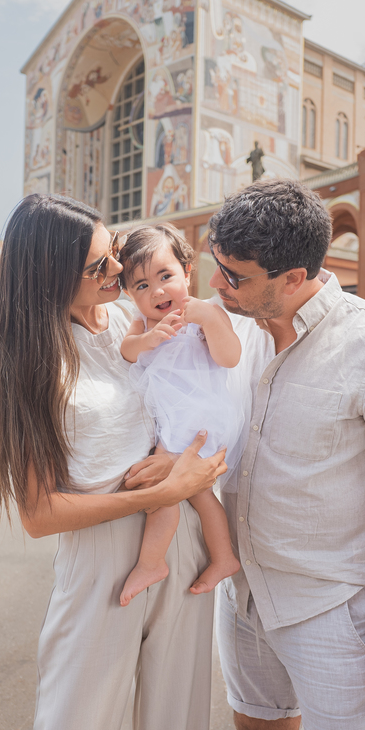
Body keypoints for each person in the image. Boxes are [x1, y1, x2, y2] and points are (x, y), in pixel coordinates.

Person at [0, 194, 228, 730]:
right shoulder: (32, 359)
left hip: (182, 538)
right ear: (49, 277)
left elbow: (210, 392)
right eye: (98, 266)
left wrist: (174, 465)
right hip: (101, 555)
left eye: (112, 250)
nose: (118, 268)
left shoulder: (130, 317)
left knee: (178, 721)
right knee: (79, 723)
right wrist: (156, 494)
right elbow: (39, 515)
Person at [206, 178, 365, 730]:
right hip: (241, 591)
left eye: (235, 276)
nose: (217, 284)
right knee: (257, 725)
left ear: (294, 278)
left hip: (329, 606)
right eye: (217, 265)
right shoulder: (230, 333)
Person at [117, 224, 244, 607]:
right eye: (141, 285)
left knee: (162, 492)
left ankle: (151, 563)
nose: (157, 291)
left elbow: (229, 357)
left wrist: (209, 320)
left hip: (198, 420)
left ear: (187, 271)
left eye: (165, 276)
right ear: (129, 293)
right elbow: (127, 351)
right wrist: (148, 339)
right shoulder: (142, 324)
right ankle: (224, 558)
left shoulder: (205, 313)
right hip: (171, 421)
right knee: (202, 496)